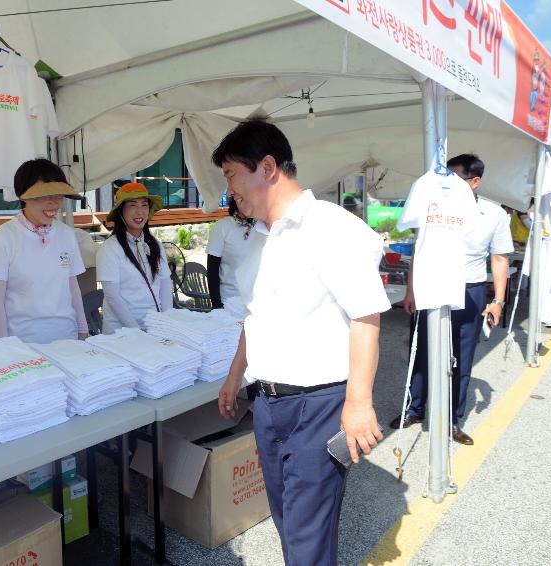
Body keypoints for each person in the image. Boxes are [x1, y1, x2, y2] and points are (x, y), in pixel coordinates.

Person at [213, 120, 390, 565]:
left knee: (308, 531)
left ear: (267, 167)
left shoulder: (330, 226)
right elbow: (254, 318)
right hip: (269, 406)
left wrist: (358, 403)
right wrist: (234, 378)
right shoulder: (259, 238)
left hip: (320, 406)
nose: (229, 189)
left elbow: (366, 315)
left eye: (232, 174)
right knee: (287, 520)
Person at [391, 154, 513, 445]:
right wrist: (411, 290)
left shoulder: (493, 214)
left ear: (475, 181)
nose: (450, 184)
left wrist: (498, 300)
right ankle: (414, 408)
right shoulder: (432, 205)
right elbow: (419, 249)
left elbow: (499, 258)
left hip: (469, 289)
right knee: (420, 352)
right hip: (431, 285)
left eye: (457, 178)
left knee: (461, 355)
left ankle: (452, 419)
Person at [0, 159, 88, 344]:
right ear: (24, 197)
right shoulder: (2, 238)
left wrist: (83, 331)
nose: (54, 203)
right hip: (24, 344)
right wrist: (6, 346)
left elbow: (72, 288)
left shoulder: (67, 234)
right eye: (44, 195)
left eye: (58, 195)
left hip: (68, 339)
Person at [96, 182, 172, 333]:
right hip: (122, 333)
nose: (140, 212)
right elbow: (113, 296)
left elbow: (165, 285)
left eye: (144, 205)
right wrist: (136, 331)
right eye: (132, 205)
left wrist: (167, 322)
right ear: (120, 211)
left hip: (154, 329)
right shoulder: (108, 249)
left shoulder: (155, 244)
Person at [206, 197, 255, 309]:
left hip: (258, 301)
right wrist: (217, 305)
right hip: (229, 301)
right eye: (241, 198)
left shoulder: (264, 226)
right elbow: (212, 270)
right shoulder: (222, 227)